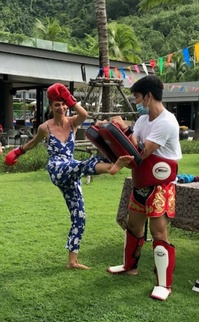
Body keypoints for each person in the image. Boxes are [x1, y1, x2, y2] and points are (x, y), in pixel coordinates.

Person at [4, 83, 133, 270]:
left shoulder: (73, 122)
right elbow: (32, 144)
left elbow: (84, 115)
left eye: (64, 104)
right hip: (57, 168)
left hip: (72, 172)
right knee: (80, 164)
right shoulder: (44, 128)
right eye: (57, 104)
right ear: (51, 107)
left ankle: (72, 261)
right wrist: (16, 153)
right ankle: (111, 169)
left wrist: (70, 98)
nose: (62, 107)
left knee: (79, 216)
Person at [105, 75, 182, 301]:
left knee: (159, 233)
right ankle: (130, 266)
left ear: (149, 96)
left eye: (138, 97)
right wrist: (117, 131)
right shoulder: (142, 120)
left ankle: (163, 284)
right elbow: (130, 149)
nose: (136, 102)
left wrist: (123, 129)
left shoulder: (167, 121)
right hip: (140, 182)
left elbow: (142, 151)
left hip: (160, 185)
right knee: (133, 226)